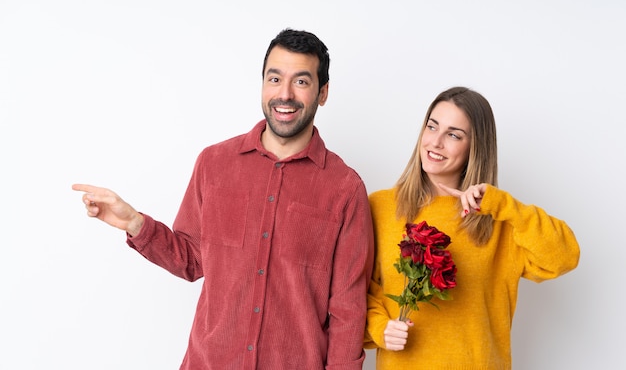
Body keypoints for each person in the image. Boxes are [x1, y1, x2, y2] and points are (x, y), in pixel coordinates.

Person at [73, 28, 374, 370]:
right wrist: (135, 224)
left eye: (301, 82)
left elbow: (348, 309)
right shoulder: (214, 164)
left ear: (323, 92)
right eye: (274, 79)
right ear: (263, 84)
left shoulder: (344, 188)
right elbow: (191, 260)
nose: (285, 94)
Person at [363, 86, 580, 369]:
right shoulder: (379, 207)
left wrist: (502, 205)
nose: (436, 142)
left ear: (475, 147)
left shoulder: (499, 221)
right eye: (432, 126)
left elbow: (563, 257)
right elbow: (354, 291)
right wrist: (380, 327)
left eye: (454, 135)